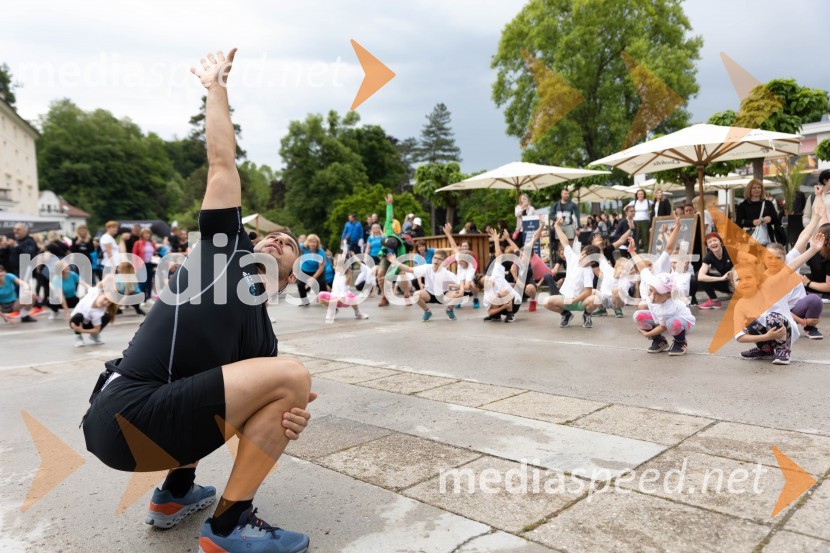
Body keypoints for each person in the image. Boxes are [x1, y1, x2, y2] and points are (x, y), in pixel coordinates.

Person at [81, 49, 314, 553]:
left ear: (291, 278)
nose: (277, 241)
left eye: (289, 244)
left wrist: (289, 415)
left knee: (283, 386)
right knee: (292, 376)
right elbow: (221, 161)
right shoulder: (221, 256)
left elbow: (257, 407)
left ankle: (175, 494)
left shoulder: (263, 342)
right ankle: (229, 525)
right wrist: (216, 87)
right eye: (272, 238)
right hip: (124, 412)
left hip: (140, 425)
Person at [543, 217, 600, 328]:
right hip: (566, 299)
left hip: (580, 302)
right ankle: (566, 314)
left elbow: (588, 292)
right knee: (546, 302)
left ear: (591, 262)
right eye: (583, 254)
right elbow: (564, 241)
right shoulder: (573, 257)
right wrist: (557, 227)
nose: (582, 257)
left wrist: (575, 301)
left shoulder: (588, 271)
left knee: (596, 299)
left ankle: (587, 315)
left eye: (586, 257)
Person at [631, 270, 695, 356]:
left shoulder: (670, 307)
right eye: (651, 290)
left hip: (685, 323)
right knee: (638, 315)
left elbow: (663, 327)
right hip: (664, 321)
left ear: (669, 295)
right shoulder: (653, 297)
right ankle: (659, 341)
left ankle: (680, 341)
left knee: (671, 322)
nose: (652, 295)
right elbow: (644, 271)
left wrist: (648, 334)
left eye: (658, 293)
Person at [386, 249, 461, 321]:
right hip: (429, 294)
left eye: (439, 259)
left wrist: (457, 288)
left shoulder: (446, 273)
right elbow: (409, 269)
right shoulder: (426, 267)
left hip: (443, 295)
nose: (436, 260)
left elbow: (460, 284)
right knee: (416, 295)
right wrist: (395, 262)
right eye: (435, 258)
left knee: (458, 294)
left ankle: (449, 309)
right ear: (432, 258)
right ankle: (427, 311)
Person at [377, 194, 409, 307]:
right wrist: (389, 204)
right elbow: (389, 219)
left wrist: (389, 276)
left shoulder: (401, 249)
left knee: (403, 273)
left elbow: (399, 266)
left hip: (398, 262)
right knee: (380, 274)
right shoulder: (388, 232)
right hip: (386, 257)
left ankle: (406, 295)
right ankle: (385, 297)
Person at [317, 253, 369, 323]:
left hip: (344, 300)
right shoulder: (337, 273)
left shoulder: (346, 276)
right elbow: (339, 260)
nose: (335, 266)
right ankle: (333, 310)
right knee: (320, 295)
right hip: (334, 298)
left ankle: (358, 312)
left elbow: (343, 296)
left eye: (337, 265)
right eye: (335, 265)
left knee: (351, 296)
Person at [735, 179, 783, 245]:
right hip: (749, 239)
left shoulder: (768, 204)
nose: (757, 190)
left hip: (767, 238)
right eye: (754, 188)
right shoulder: (743, 205)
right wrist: (752, 222)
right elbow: (739, 222)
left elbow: (777, 220)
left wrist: (770, 218)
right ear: (749, 190)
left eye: (759, 187)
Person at [69, 278, 115, 347]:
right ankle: (78, 337)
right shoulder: (94, 292)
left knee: (107, 316)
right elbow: (101, 283)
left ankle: (94, 336)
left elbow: (97, 329)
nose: (105, 303)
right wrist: (112, 279)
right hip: (75, 320)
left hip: (87, 324)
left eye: (108, 303)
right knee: (79, 315)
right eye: (105, 299)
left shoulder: (99, 312)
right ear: (101, 294)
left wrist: (81, 330)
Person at [697, 233, 734, 309]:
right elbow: (700, 276)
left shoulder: (730, 250)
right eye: (709, 242)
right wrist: (721, 278)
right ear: (708, 246)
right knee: (698, 275)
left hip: (740, 283)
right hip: (727, 284)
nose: (713, 243)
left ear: (721, 242)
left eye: (715, 240)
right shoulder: (709, 256)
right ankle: (714, 301)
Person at [296, 234, 326, 306]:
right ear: (307, 242)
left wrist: (313, 278)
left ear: (317, 243)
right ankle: (305, 301)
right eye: (310, 242)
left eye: (314, 242)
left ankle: (324, 300)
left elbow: (321, 267)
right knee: (300, 284)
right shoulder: (302, 248)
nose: (312, 244)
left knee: (322, 283)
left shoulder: (320, 252)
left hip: (317, 271)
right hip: (305, 270)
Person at [132, 227, 158, 301]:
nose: (146, 235)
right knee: (142, 281)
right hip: (141, 264)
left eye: (148, 233)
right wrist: (135, 266)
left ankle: (148, 297)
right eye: (145, 233)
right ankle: (140, 297)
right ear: (142, 234)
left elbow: (155, 253)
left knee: (150, 281)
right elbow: (134, 255)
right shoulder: (138, 243)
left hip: (151, 264)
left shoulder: (152, 243)